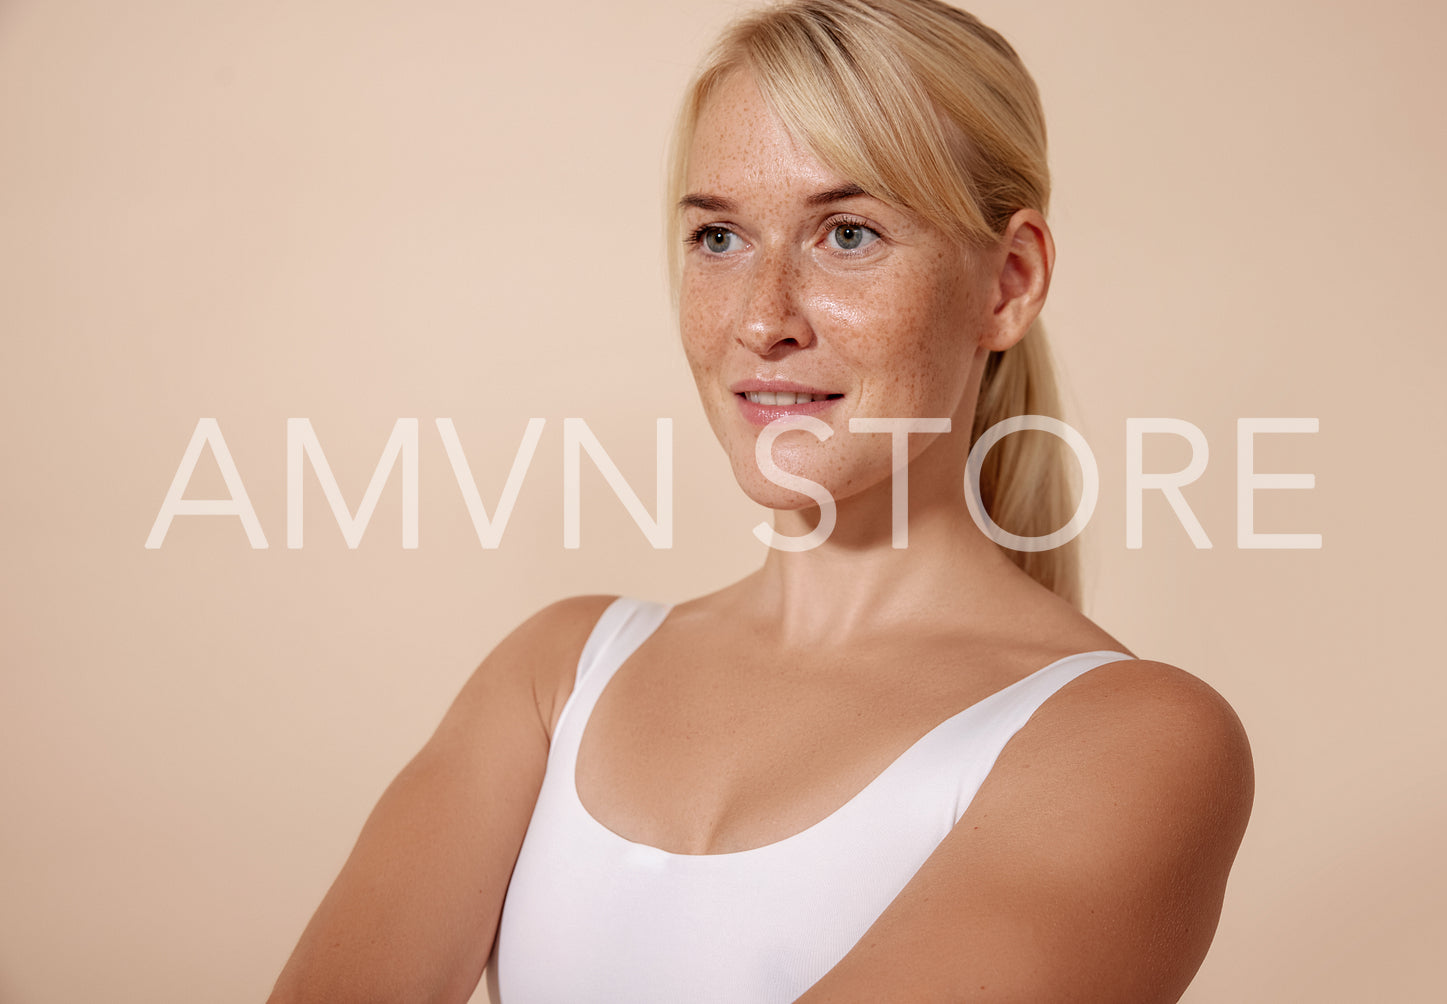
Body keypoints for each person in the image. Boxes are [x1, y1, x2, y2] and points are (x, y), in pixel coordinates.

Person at [267, 1, 1254, 1001]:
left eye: (848, 233)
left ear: (1007, 282)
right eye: (719, 236)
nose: (761, 316)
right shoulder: (557, 677)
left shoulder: (1129, 740)